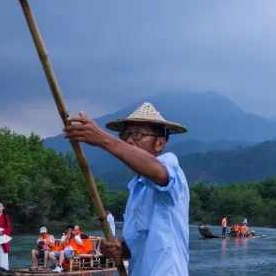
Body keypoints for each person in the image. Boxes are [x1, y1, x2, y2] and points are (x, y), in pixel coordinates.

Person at [64, 102, 190, 276]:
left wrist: (103, 138)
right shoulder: (136, 189)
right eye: (126, 134)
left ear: (160, 143)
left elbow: (158, 172)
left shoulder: (170, 167)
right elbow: (135, 248)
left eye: (138, 134)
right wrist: (117, 249)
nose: (129, 140)